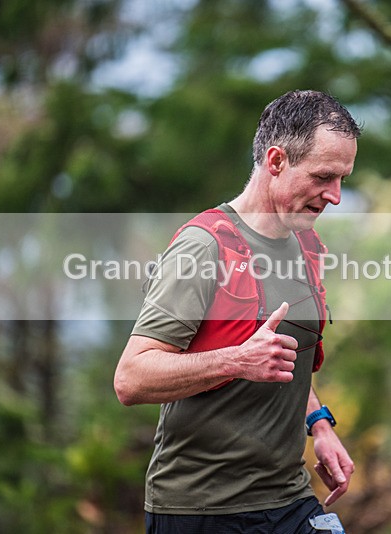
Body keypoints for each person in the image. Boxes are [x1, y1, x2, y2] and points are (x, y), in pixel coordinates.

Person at [114, 89, 360, 533]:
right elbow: (131, 379)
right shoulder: (204, 247)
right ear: (277, 160)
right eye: (324, 176)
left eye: (343, 178)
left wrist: (319, 424)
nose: (336, 196)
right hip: (202, 511)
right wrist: (235, 359)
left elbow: (282, 356)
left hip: (288, 499)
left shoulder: (306, 245)